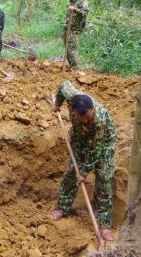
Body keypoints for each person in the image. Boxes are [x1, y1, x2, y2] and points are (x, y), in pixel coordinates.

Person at [50, 80, 116, 241]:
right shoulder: (72, 96)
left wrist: (85, 172)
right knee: (72, 171)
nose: (86, 120)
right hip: (79, 138)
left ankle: (104, 224)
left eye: (88, 117)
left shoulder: (99, 120)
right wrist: (57, 104)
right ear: (73, 111)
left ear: (92, 109)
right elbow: (62, 86)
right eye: (82, 118)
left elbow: (96, 150)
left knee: (103, 177)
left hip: (103, 143)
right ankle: (62, 208)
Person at [62, 0, 89, 70]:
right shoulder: (70, 2)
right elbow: (68, 19)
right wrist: (64, 31)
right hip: (68, 30)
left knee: (72, 49)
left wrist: (75, 9)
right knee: (67, 50)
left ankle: (76, 69)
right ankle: (72, 67)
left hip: (75, 30)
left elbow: (85, 12)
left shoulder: (82, 1)